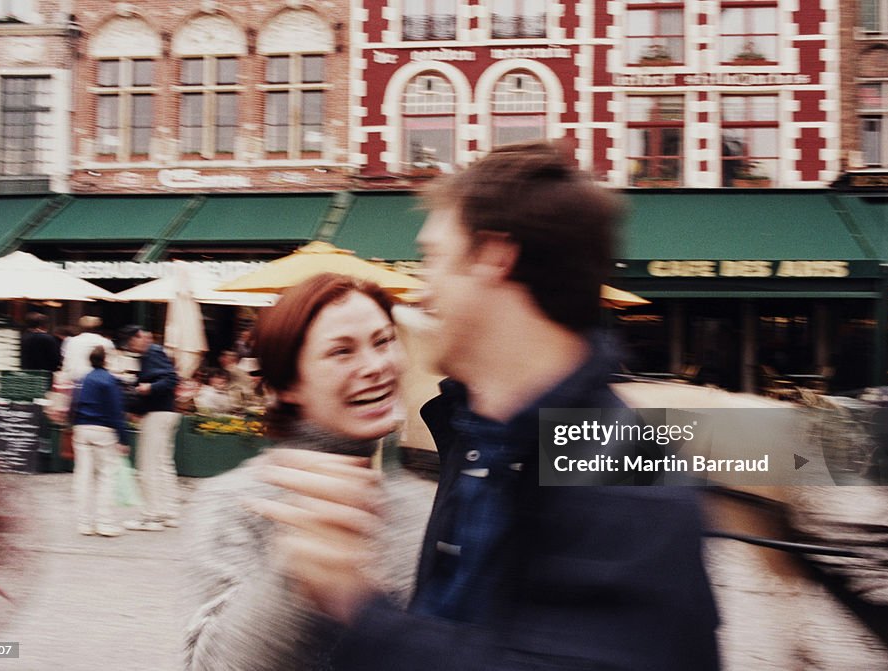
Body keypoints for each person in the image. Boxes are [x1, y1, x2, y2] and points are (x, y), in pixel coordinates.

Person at [253, 142, 721, 669]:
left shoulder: (629, 466)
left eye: (434, 259)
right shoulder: (478, 443)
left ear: (494, 257)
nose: (423, 294)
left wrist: (355, 606)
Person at [183, 273, 435, 671]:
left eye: (383, 340)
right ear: (288, 385)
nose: (375, 365)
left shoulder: (422, 503)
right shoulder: (236, 502)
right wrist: (297, 571)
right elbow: (212, 665)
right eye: (341, 351)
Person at [119, 325, 180, 532]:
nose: (131, 347)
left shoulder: (152, 352)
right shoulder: (154, 352)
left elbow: (171, 379)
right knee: (163, 465)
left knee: (148, 467)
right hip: (166, 412)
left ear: (138, 337)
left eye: (131, 342)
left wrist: (148, 388)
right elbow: (169, 377)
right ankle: (169, 512)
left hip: (156, 415)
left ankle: (151, 516)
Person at [71, 346, 129, 537]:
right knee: (106, 477)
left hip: (81, 429)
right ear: (106, 360)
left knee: (83, 477)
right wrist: (123, 438)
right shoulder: (109, 381)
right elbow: (116, 411)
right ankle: (105, 522)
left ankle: (84, 523)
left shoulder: (82, 379)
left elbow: (73, 405)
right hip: (103, 430)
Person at [61, 316, 115, 382]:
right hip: (93, 381)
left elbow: (65, 361)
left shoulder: (70, 341)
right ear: (98, 329)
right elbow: (110, 365)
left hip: (69, 379)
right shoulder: (105, 342)